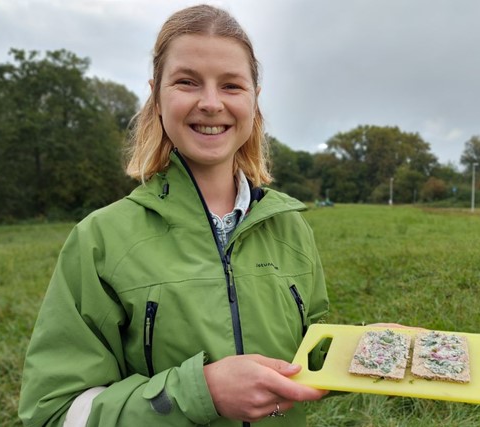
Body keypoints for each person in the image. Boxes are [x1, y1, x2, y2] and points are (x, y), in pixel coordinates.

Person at [18, 4, 330, 426]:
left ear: (255, 99)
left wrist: (374, 350)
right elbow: (54, 412)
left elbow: (309, 357)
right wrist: (199, 394)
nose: (211, 103)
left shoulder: (291, 228)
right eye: (187, 82)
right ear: (158, 96)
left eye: (232, 85)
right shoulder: (99, 240)